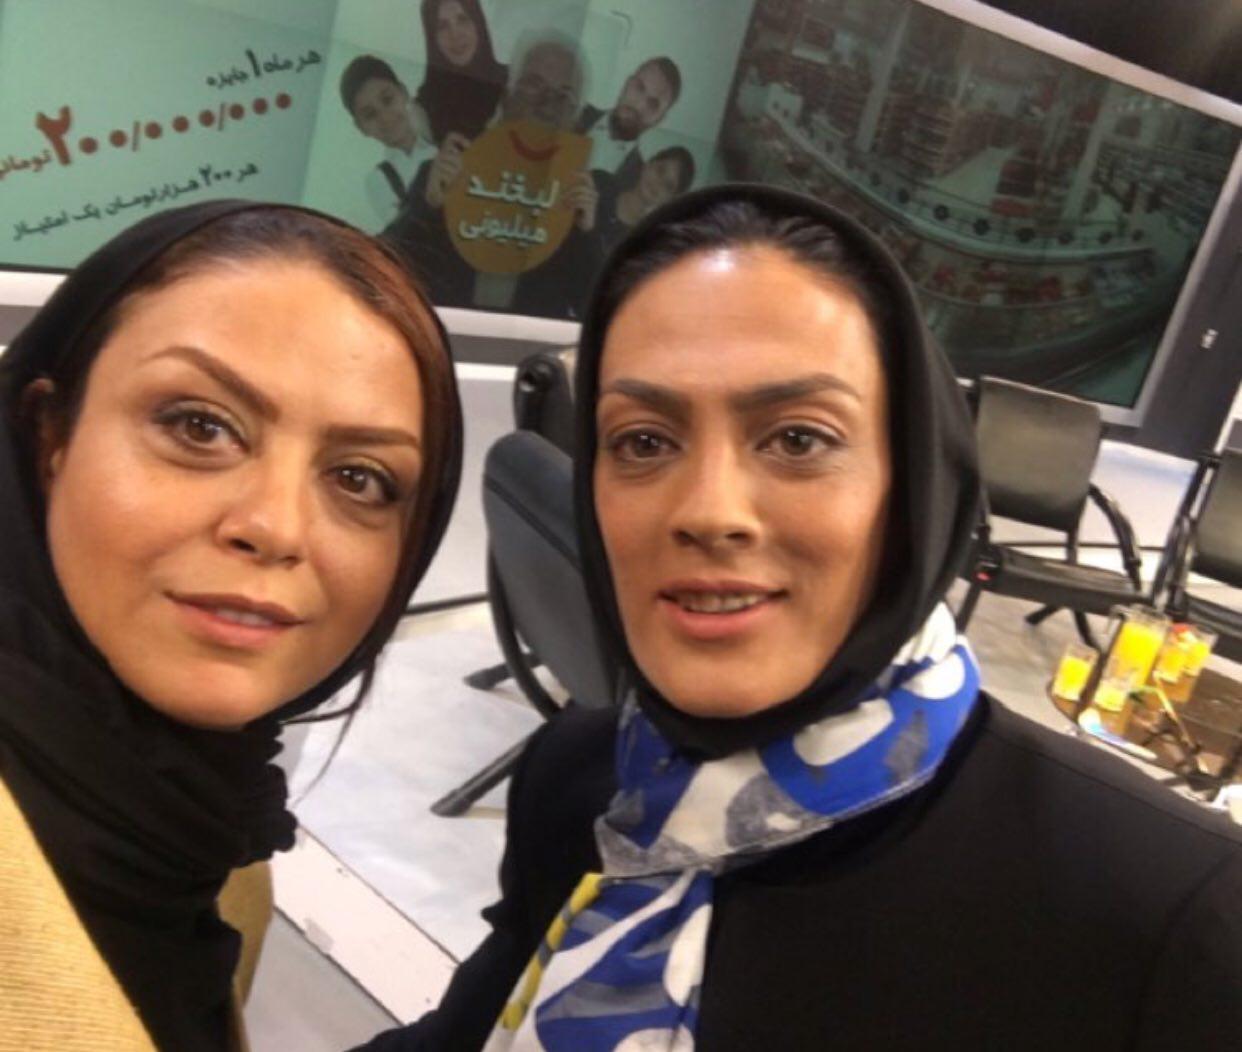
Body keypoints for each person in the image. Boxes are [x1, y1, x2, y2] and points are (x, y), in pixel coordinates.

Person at [356, 184, 1242, 1051]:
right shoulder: (583, 778)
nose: (709, 510)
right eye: (644, 441)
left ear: (912, 486)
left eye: (798, 439)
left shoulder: (1165, 916)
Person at [0, 201, 462, 1052]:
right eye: (199, 426)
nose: (277, 527)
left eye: (360, 479)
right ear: (48, 437)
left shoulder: (210, 839)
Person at [385, 33, 601, 319]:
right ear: (507, 96)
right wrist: (428, 207)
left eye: (564, 95)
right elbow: (387, 273)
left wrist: (586, 235)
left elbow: (597, 309)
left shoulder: (578, 199)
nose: (547, 103)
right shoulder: (450, 170)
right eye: (534, 84)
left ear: (575, 118)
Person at [340, 55, 436, 227]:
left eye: (388, 100)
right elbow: (409, 232)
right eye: (370, 114)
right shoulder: (380, 181)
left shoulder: (447, 136)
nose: (385, 118)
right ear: (361, 127)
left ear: (404, 92)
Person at [414, 0, 507, 146]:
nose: (455, 34)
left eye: (463, 20)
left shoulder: (516, 82)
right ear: (432, 38)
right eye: (442, 26)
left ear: (478, 23)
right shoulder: (422, 112)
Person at [577, 57, 682, 185]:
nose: (639, 105)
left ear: (659, 120)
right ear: (627, 84)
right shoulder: (573, 111)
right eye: (639, 87)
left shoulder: (638, 183)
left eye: (653, 104)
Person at [594, 144, 696, 251]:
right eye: (660, 170)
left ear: (670, 199)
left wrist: (589, 228)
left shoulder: (641, 241)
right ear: (648, 164)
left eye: (668, 186)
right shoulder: (601, 183)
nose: (658, 184)